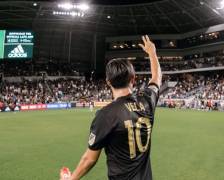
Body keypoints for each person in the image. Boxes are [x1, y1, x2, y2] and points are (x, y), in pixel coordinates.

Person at [60, 35, 162, 180]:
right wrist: (152, 53)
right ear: (133, 79)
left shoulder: (106, 115)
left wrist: (71, 179)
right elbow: (156, 78)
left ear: (108, 82)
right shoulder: (147, 102)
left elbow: (89, 159)